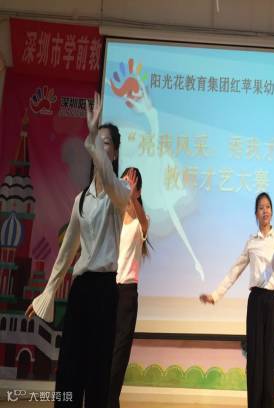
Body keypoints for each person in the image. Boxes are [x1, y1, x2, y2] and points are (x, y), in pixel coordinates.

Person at [25, 92, 134, 408]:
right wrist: (47, 293)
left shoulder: (121, 191)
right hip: (81, 290)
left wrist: (92, 135)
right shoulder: (81, 200)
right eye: (97, 142)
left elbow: (109, 180)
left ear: (114, 153)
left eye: (106, 143)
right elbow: (66, 252)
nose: (100, 146)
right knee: (70, 367)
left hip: (105, 292)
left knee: (98, 371)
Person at [200, 192, 274, 408]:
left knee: (269, 358)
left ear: (272, 212)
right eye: (261, 207)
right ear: (256, 214)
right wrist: (215, 295)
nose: (265, 211)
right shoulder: (251, 242)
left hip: (273, 302)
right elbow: (234, 271)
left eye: (268, 207)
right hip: (256, 301)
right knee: (255, 359)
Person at [108, 167, 150, 408]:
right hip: (107, 288)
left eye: (131, 183)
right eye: (124, 181)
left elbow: (143, 223)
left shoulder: (140, 221)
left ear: (138, 191)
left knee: (120, 351)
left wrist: (132, 198)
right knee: (104, 347)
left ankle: (111, 400)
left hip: (127, 293)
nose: (127, 185)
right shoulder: (112, 215)